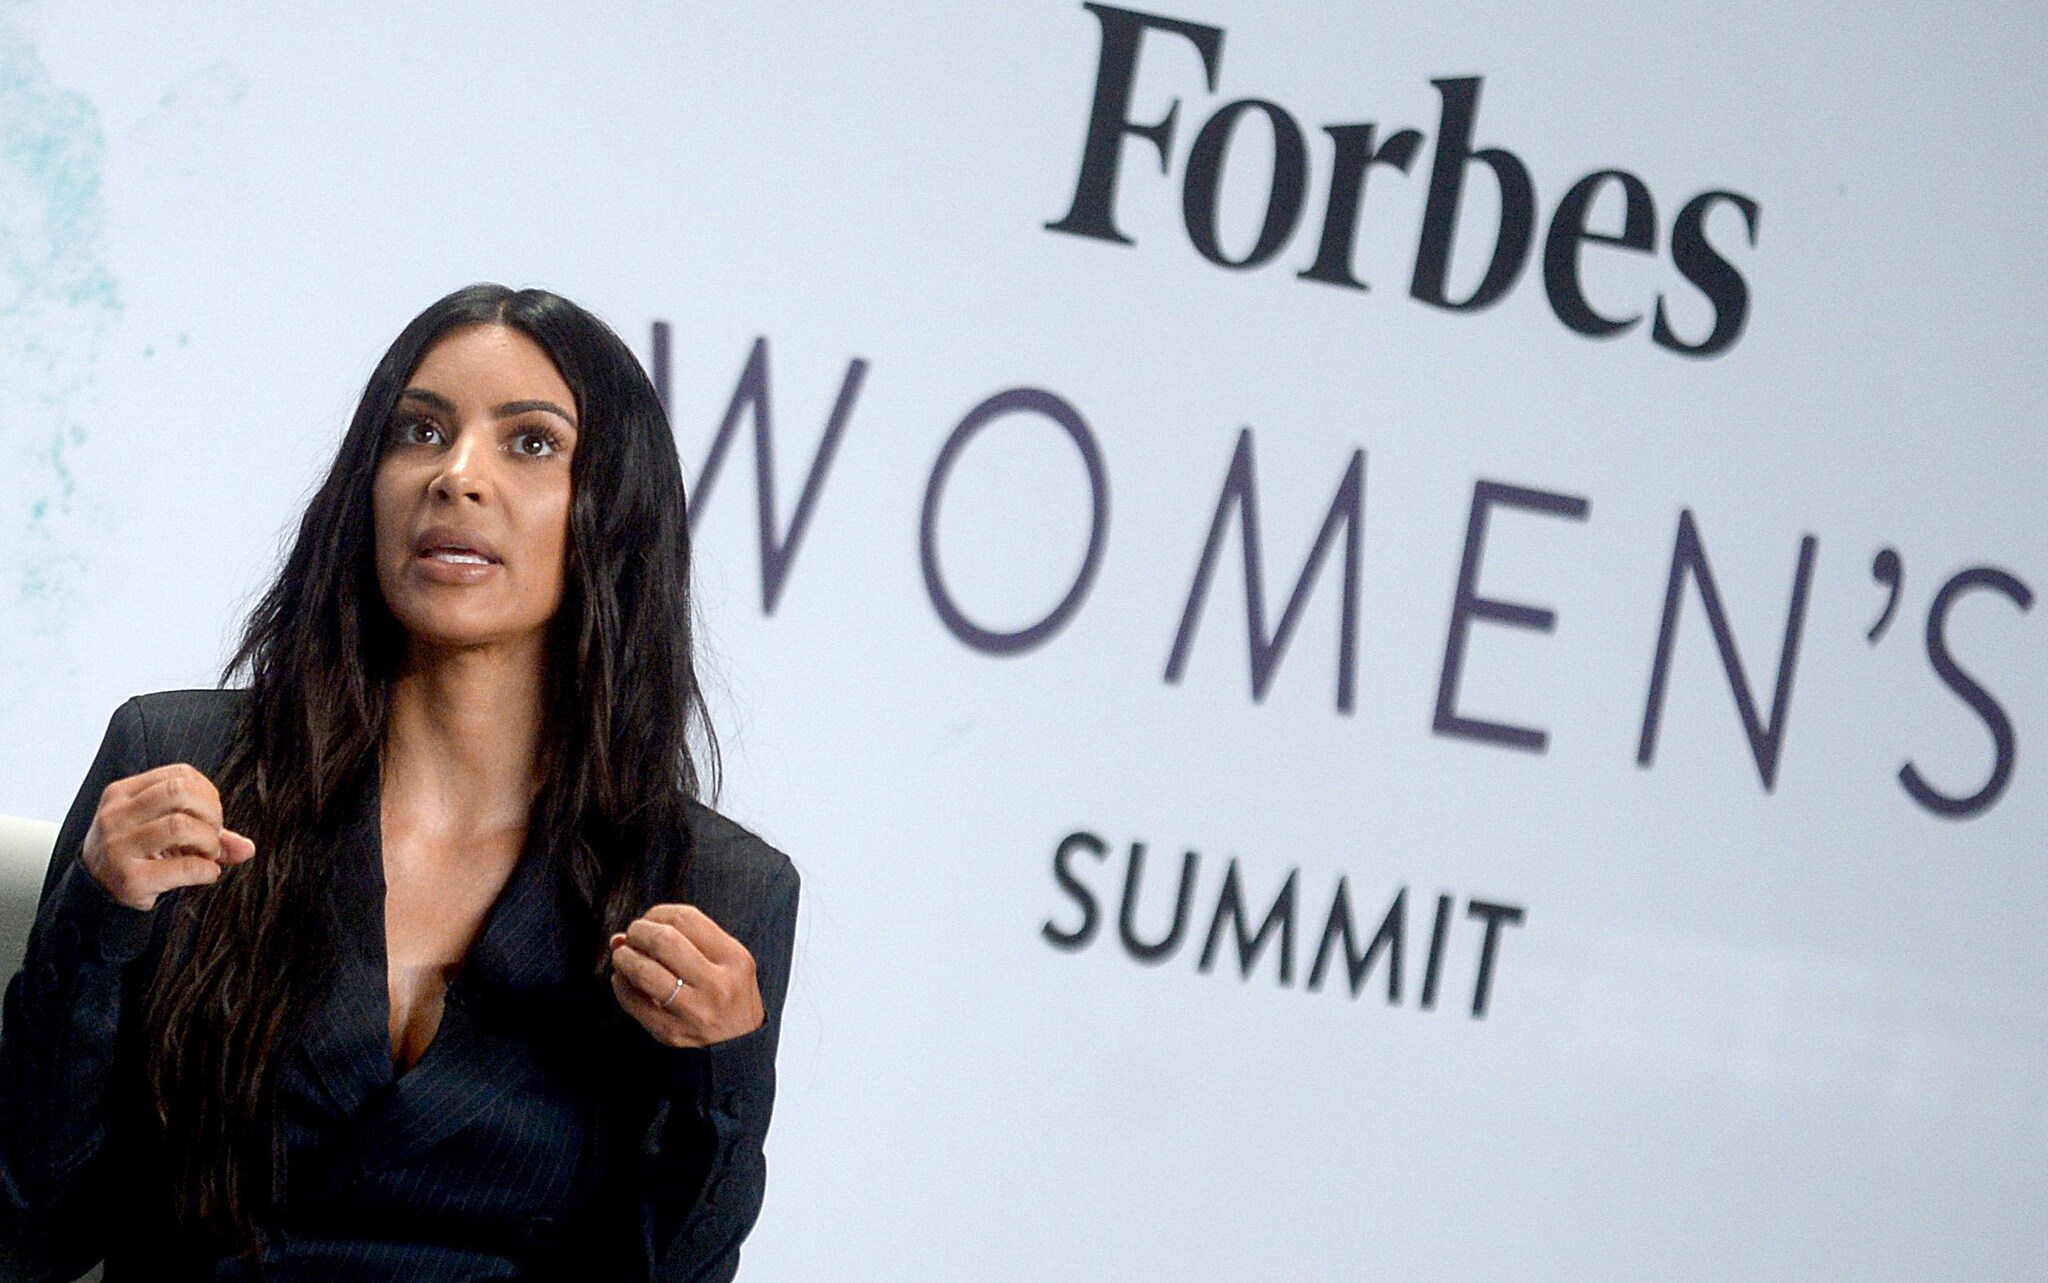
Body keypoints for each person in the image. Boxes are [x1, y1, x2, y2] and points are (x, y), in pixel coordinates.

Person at [0, 284, 799, 1281]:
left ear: (614, 514)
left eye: (531, 442)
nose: (456, 476)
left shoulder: (713, 885)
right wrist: (99, 918)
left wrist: (719, 1072)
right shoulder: (179, 760)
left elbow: (672, 1269)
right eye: (420, 431)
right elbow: (30, 1225)